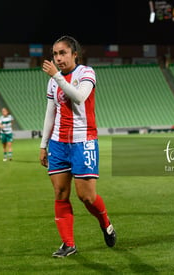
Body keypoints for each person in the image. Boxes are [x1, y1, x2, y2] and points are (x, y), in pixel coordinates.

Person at [40, 36, 116, 258]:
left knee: (86, 197)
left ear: (75, 54)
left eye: (62, 53)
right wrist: (43, 144)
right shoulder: (52, 81)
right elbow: (50, 113)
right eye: (55, 54)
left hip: (84, 141)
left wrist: (57, 76)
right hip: (58, 142)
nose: (58, 58)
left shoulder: (86, 73)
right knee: (60, 193)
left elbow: (80, 97)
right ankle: (68, 244)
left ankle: (106, 223)